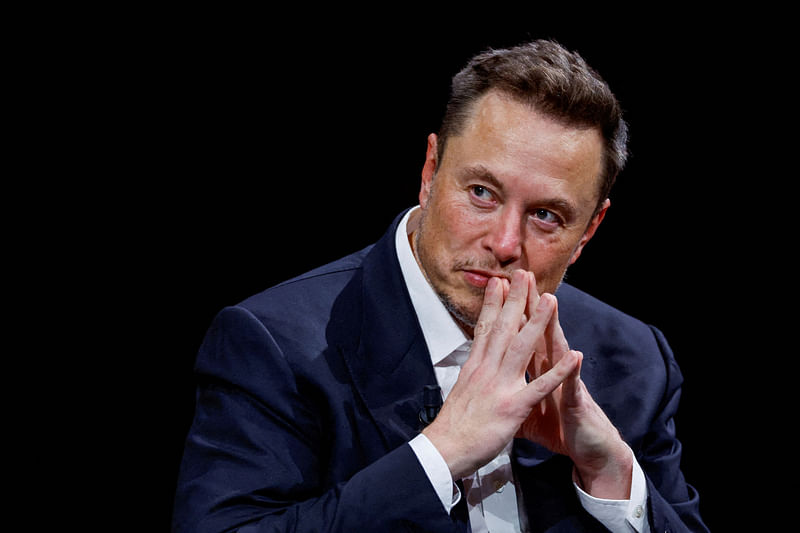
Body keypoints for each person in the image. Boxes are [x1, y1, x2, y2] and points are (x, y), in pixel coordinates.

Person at [173, 40, 708, 532]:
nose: (504, 242)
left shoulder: (635, 360)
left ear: (588, 230)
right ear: (430, 171)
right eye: (481, 192)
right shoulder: (275, 346)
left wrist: (613, 476)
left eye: (545, 215)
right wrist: (440, 453)